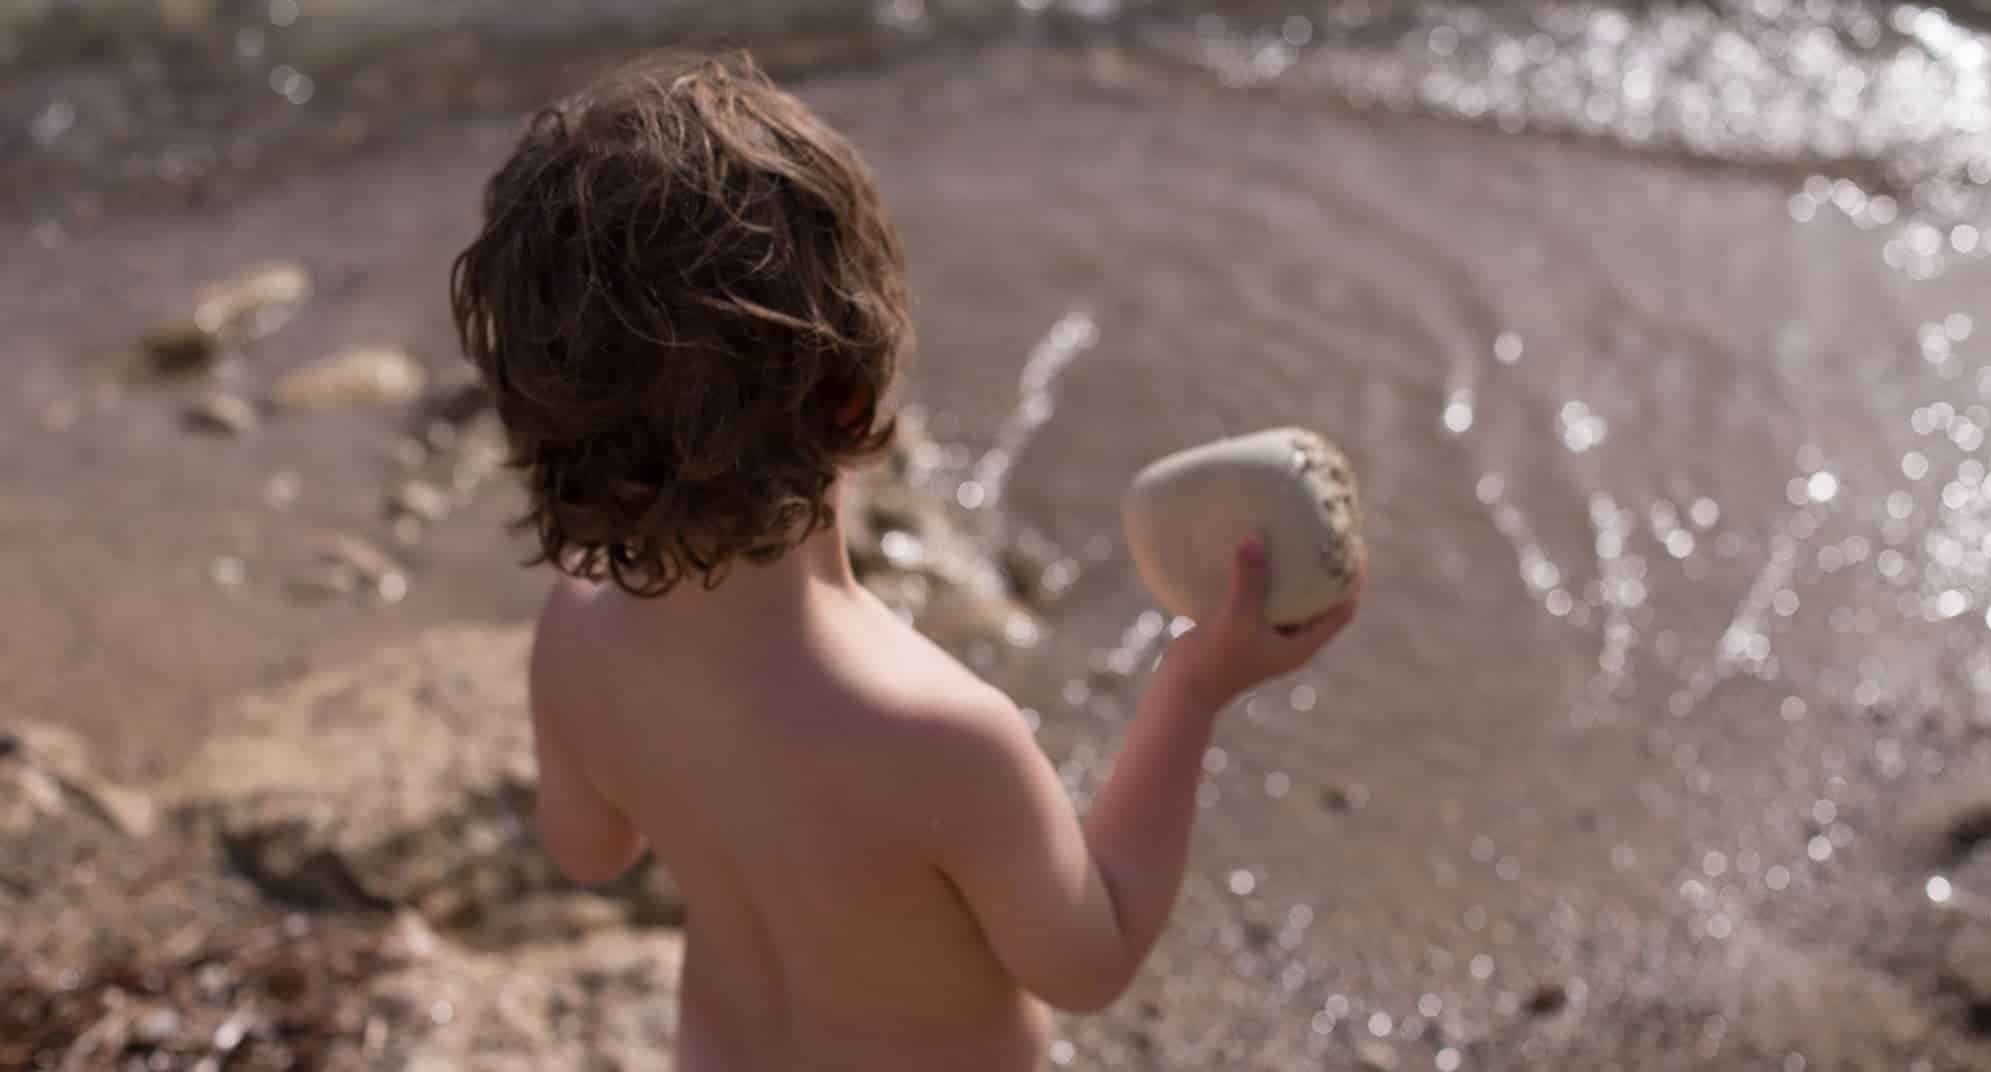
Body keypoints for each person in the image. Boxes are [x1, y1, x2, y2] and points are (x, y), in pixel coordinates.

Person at [449, 51, 1361, 1072]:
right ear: (850, 396)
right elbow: (1087, 959)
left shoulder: (576, 627)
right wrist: (1190, 691)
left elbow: (588, 848)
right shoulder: (938, 733)